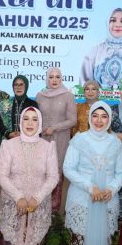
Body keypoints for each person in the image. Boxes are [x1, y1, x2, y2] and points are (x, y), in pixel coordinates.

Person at [63, 101, 122, 245]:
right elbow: (68, 168)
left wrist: (111, 189)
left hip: (106, 203)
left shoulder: (115, 143)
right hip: (82, 202)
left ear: (109, 119)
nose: (99, 120)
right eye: (95, 116)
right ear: (89, 118)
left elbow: (121, 172)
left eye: (104, 116)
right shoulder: (79, 140)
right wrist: (91, 188)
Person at [0, 107, 59, 245]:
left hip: (37, 207)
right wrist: (19, 197)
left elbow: (53, 177)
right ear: (20, 122)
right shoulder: (8, 145)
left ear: (39, 123)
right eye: (26, 119)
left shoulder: (48, 147)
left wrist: (37, 198)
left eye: (34, 119)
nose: (30, 123)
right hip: (13, 206)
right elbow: (2, 175)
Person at [36, 67, 77, 213]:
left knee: (56, 173)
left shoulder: (68, 96)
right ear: (47, 78)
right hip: (42, 140)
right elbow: (36, 118)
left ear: (61, 79)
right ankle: (40, 207)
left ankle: (53, 210)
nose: (54, 80)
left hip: (60, 139)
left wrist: (54, 128)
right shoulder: (40, 95)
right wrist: (41, 129)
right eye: (51, 77)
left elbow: (73, 120)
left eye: (57, 77)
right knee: (42, 173)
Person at [80, 8, 122, 89]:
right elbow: (84, 84)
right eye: (113, 20)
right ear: (107, 22)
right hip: (98, 98)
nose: (118, 25)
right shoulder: (95, 51)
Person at [0, 75, 38, 140]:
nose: (18, 87)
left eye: (21, 84)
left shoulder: (33, 104)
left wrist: (23, 134)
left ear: (26, 86)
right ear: (13, 87)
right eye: (16, 85)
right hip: (8, 140)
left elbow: (36, 123)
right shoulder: (4, 104)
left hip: (27, 140)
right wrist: (8, 134)